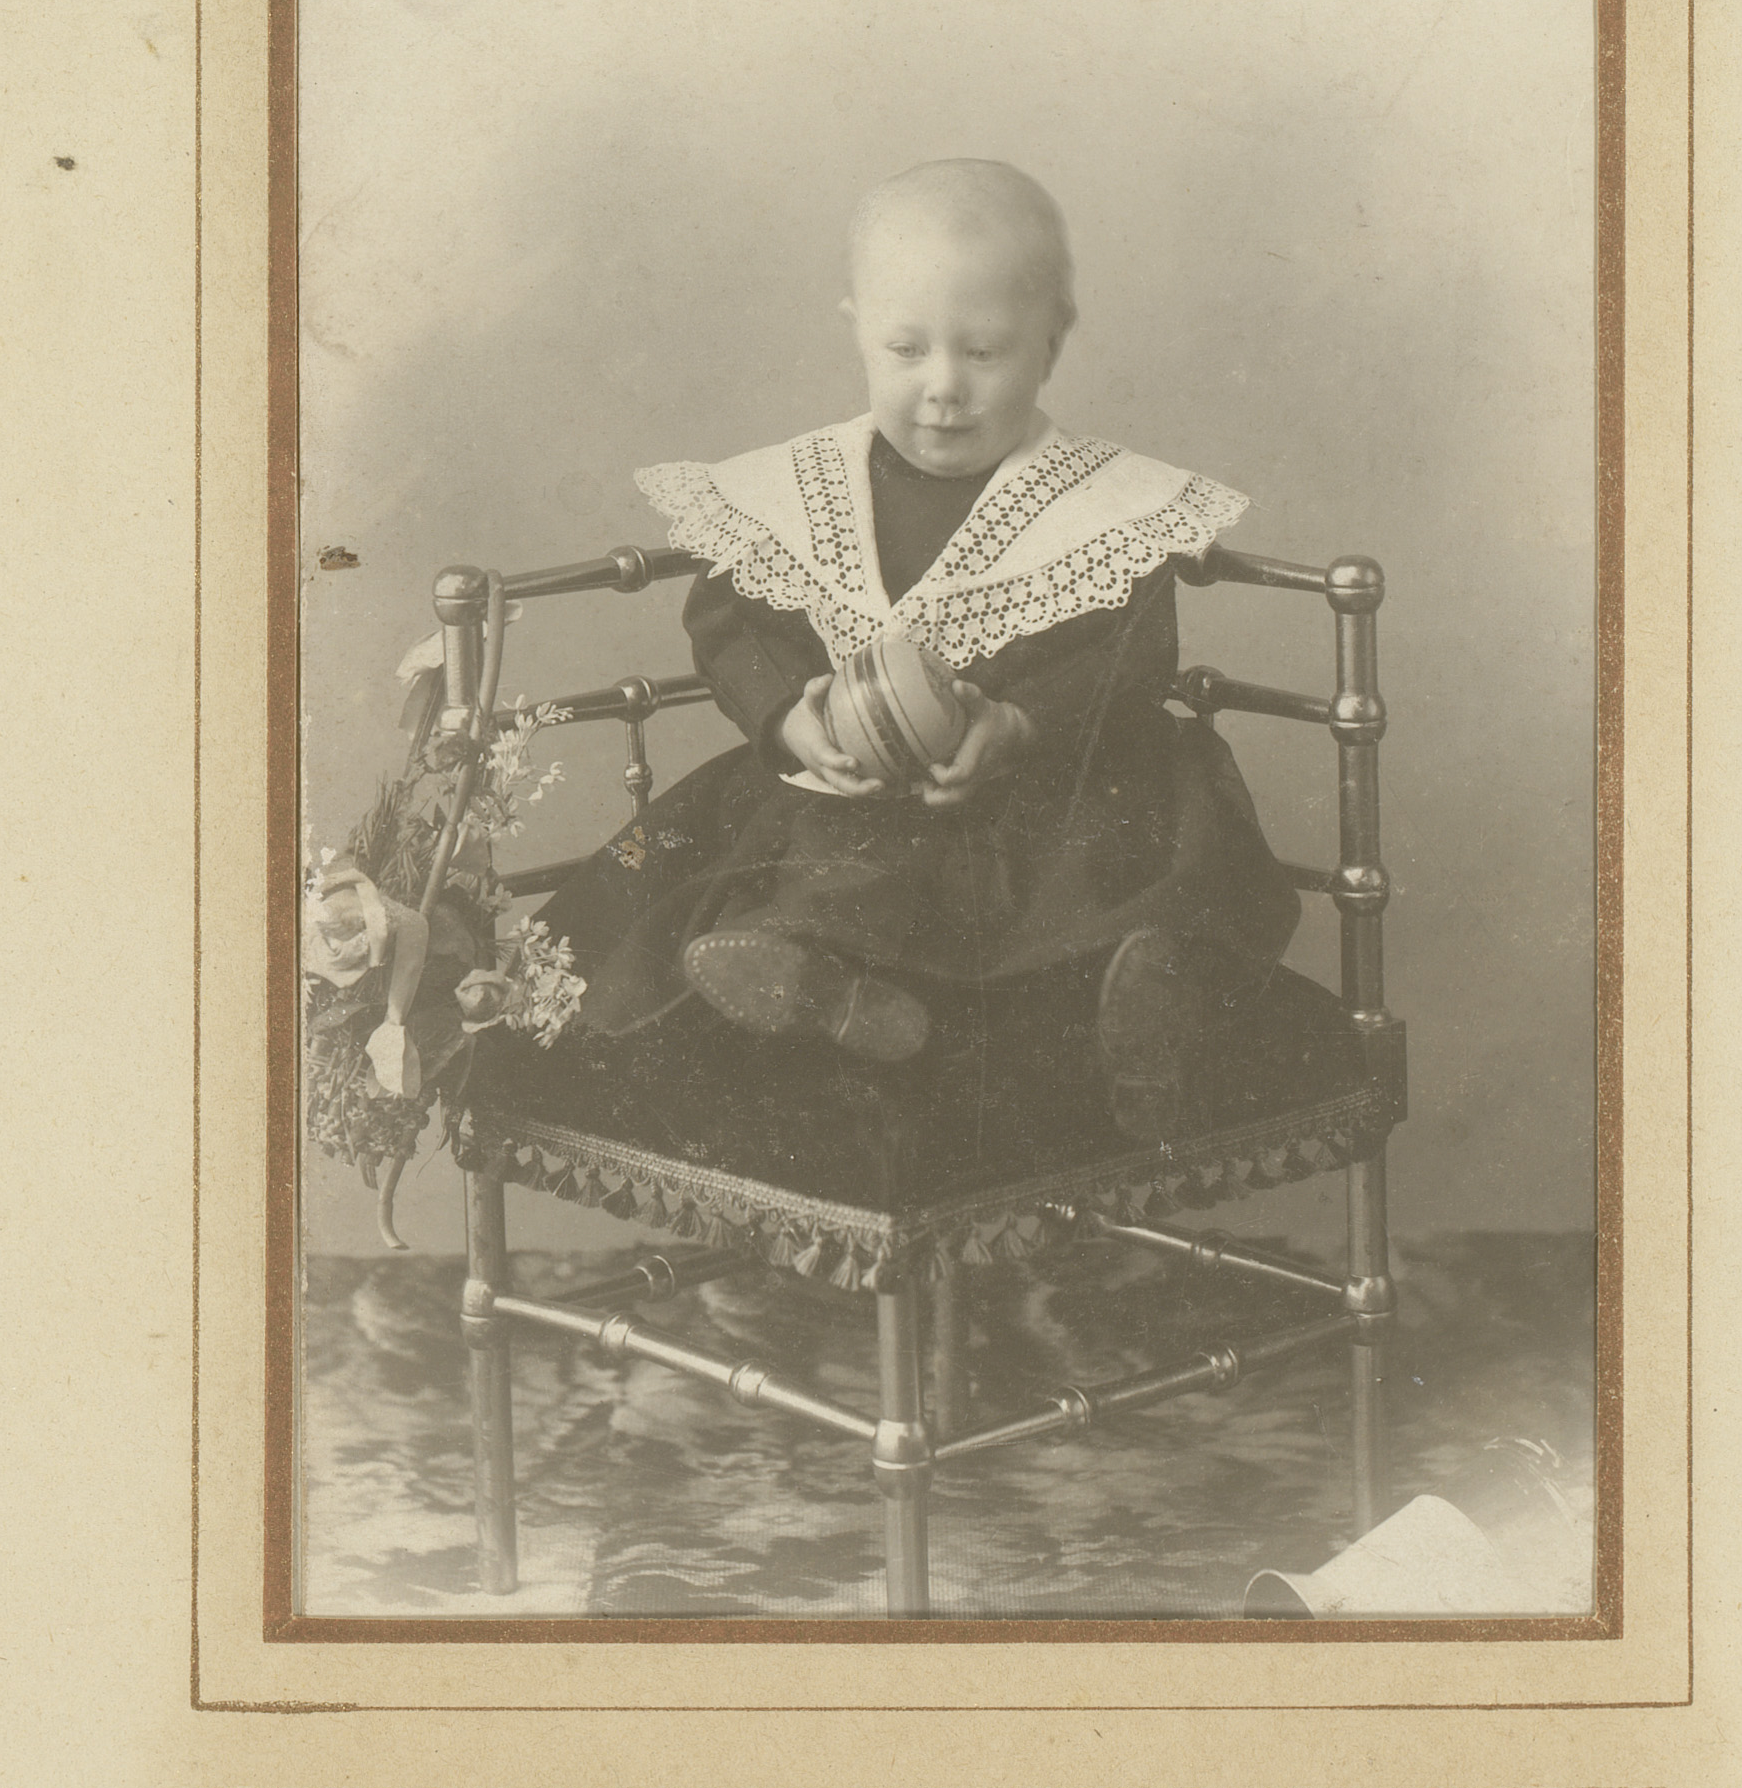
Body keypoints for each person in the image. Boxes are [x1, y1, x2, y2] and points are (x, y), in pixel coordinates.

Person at [550, 159, 1299, 1137]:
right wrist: (789, 720)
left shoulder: (1100, 504)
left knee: (1120, 852)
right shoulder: (806, 487)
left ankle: (1136, 1001)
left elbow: (1129, 652)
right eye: (905, 349)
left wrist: (1019, 724)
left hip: (1047, 788)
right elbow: (731, 624)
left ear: (1051, 340)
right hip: (860, 794)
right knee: (835, 854)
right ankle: (818, 976)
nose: (943, 388)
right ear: (857, 327)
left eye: (983, 352)